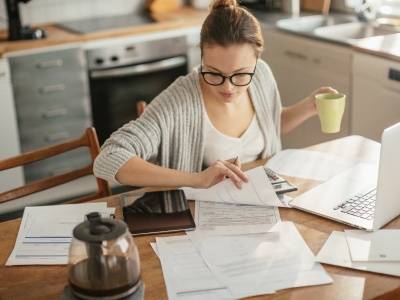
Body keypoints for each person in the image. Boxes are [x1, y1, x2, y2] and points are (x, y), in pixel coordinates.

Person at [93, 0, 336, 210]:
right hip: (200, 221)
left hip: (263, 206)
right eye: (214, 73)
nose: (228, 87)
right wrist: (197, 179)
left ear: (257, 60)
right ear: (201, 57)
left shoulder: (261, 75)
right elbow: (109, 158)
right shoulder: (180, 101)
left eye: (240, 74)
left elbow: (271, 123)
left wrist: (309, 106)